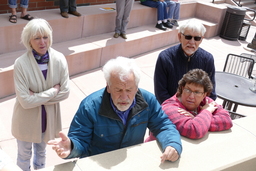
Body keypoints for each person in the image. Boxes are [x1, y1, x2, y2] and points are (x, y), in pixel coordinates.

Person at [48, 57, 182, 163]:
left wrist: (172, 144)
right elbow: (79, 140)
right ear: (108, 87)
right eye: (118, 90)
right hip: (98, 164)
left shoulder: (148, 101)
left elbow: (163, 125)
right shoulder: (90, 106)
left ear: (136, 87)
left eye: (129, 90)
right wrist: (71, 147)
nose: (124, 97)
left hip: (131, 162)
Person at [12, 18, 70, 171]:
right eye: (36, 38)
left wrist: (35, 97)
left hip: (48, 120)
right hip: (26, 120)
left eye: (45, 37)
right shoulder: (20, 64)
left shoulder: (59, 59)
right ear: (29, 41)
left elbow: (65, 93)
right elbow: (25, 102)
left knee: (42, 153)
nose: (42, 42)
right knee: (24, 156)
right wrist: (53, 91)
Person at [146, 69, 233, 141]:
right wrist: (206, 111)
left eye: (197, 92)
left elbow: (227, 120)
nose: (191, 96)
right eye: (188, 90)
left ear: (204, 94)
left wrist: (197, 118)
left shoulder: (206, 102)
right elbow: (195, 130)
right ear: (182, 88)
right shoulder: (169, 108)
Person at [154, 19, 217, 104]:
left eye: (197, 38)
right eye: (188, 37)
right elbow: (160, 93)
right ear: (180, 37)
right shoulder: (165, 58)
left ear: (201, 40)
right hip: (170, 109)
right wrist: (177, 110)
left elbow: (211, 92)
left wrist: (198, 111)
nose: (192, 42)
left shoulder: (207, 59)